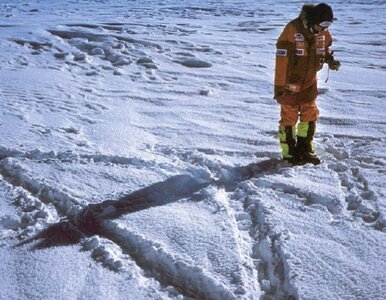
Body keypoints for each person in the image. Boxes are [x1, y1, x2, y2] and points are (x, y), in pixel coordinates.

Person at [274, 3, 340, 165]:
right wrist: (279, 88)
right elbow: (281, 62)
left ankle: (305, 149)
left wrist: (330, 60)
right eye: (323, 24)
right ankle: (289, 153)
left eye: (328, 25)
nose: (324, 29)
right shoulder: (291, 31)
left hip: (309, 82)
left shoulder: (322, 33)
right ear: (312, 20)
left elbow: (325, 49)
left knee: (309, 114)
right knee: (289, 117)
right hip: (290, 83)